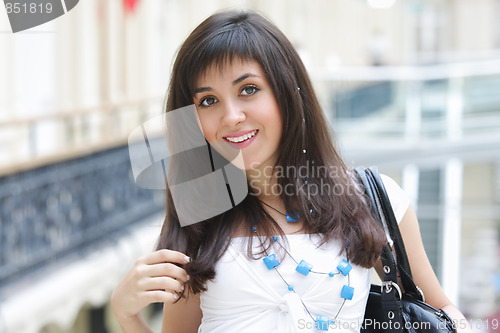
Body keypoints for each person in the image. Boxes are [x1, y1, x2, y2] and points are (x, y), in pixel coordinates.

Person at [111, 10, 472, 333]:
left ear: (286, 92)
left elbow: (438, 310)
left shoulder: (370, 198)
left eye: (248, 90)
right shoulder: (199, 217)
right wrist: (127, 316)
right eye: (208, 101)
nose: (231, 116)